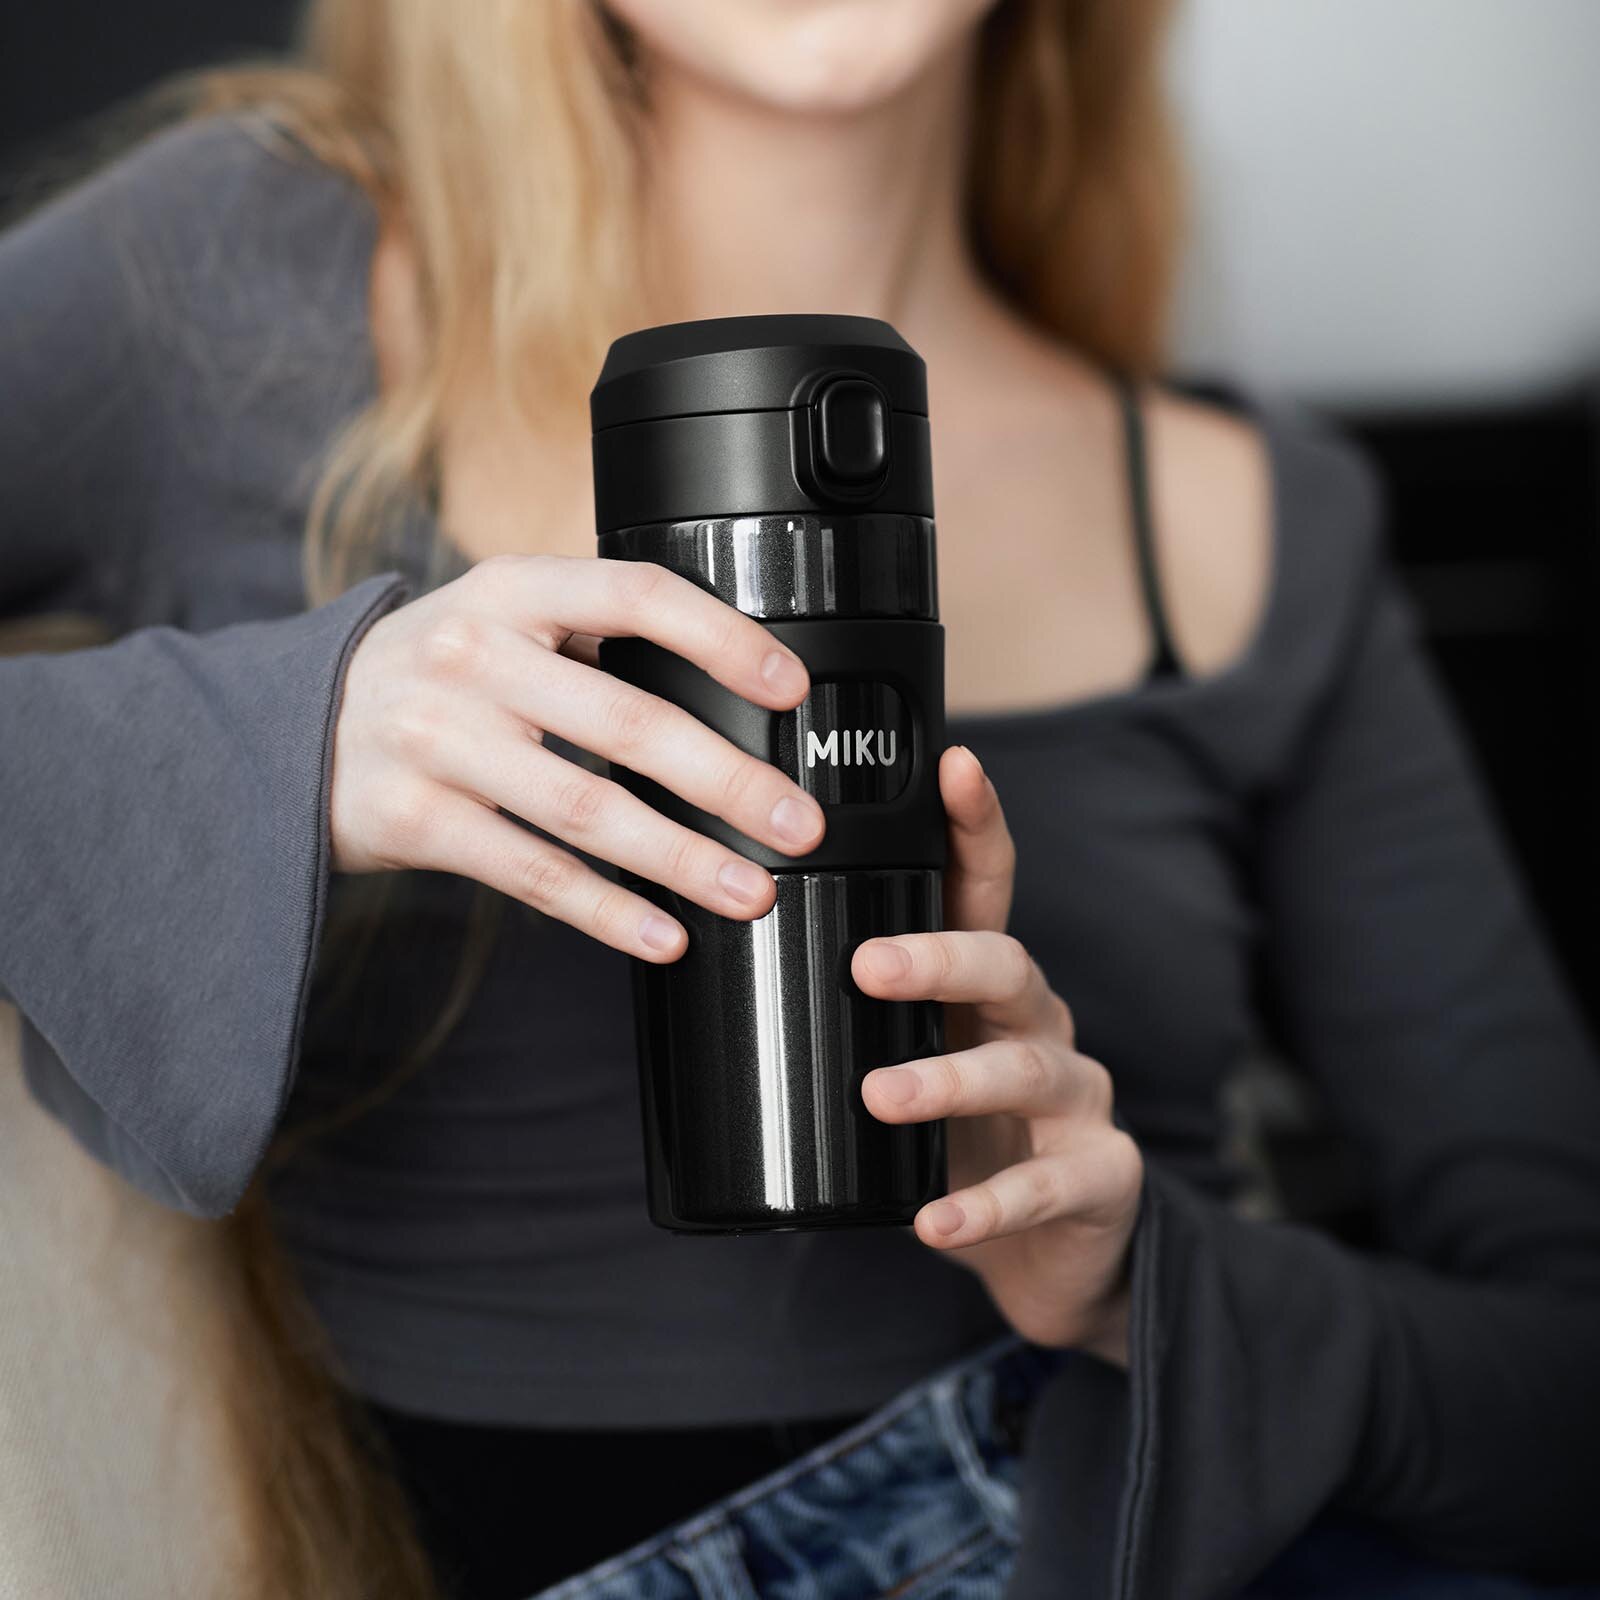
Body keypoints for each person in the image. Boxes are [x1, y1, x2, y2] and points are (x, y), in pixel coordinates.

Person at [2, 2, 1598, 1597]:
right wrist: (283, 730)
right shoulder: (233, 271)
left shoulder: (1251, 521)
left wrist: (1145, 1286)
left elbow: (1564, 1384)